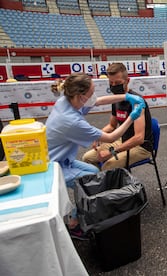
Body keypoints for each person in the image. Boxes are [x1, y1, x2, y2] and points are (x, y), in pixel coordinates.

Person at [46, 72, 145, 237]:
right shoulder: (71, 121)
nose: (95, 97)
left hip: (60, 159)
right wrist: (131, 117)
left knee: (93, 174)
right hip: (52, 167)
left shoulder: (66, 100)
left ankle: (78, 214)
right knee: (89, 185)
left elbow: (98, 101)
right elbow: (111, 137)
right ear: (81, 96)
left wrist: (126, 96)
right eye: (91, 93)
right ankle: (74, 225)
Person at [82, 63, 153, 171]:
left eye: (118, 83)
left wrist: (112, 152)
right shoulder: (116, 99)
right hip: (123, 141)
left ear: (127, 81)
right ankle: (103, 184)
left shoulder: (137, 101)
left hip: (141, 147)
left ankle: (113, 185)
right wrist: (98, 136)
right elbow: (111, 126)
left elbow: (139, 138)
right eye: (111, 83)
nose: (114, 86)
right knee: (87, 158)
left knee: (108, 166)